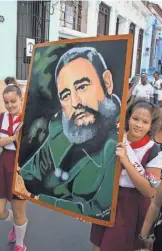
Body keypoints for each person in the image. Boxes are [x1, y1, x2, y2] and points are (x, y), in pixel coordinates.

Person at [17, 47, 121, 218]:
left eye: (82, 86)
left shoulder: (119, 142)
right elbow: (30, 171)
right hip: (49, 223)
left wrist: (35, 197)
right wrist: (16, 174)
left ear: (107, 82)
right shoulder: (60, 130)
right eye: (65, 95)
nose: (75, 102)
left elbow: (98, 210)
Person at [90, 100, 162, 251]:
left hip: (132, 204)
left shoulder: (153, 151)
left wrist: (125, 160)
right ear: (128, 118)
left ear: (151, 125)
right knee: (97, 244)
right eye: (135, 119)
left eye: (145, 122)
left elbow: (150, 191)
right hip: (107, 199)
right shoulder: (115, 139)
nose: (138, 124)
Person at [0, 84, 27, 251]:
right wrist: (12, 138)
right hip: (4, 162)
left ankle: (20, 245)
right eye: (6, 102)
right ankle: (15, 224)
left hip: (22, 165)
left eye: (13, 101)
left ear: (21, 99)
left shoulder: (29, 119)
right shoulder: (1, 118)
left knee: (19, 211)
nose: (10, 105)